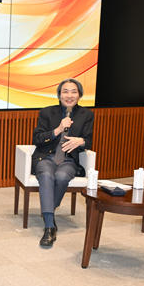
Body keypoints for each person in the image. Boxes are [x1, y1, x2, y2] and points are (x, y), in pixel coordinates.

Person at [32, 78, 94, 248]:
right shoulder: (46, 112)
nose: (69, 95)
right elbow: (37, 139)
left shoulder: (86, 115)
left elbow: (89, 141)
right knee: (46, 174)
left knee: (61, 176)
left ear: (79, 95)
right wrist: (58, 130)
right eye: (65, 91)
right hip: (46, 157)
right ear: (59, 95)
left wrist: (81, 141)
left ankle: (48, 210)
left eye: (74, 92)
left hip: (68, 159)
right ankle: (49, 227)